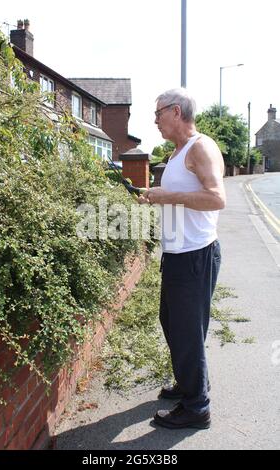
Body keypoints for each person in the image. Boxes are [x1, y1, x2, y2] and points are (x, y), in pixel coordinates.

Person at [138, 88, 226, 429]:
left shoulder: (200, 147)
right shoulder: (176, 153)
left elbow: (216, 198)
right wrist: (154, 198)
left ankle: (197, 407)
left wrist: (168, 196)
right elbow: (179, 197)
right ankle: (189, 383)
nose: (155, 120)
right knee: (172, 323)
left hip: (195, 256)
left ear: (176, 112)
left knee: (187, 332)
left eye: (158, 113)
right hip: (177, 255)